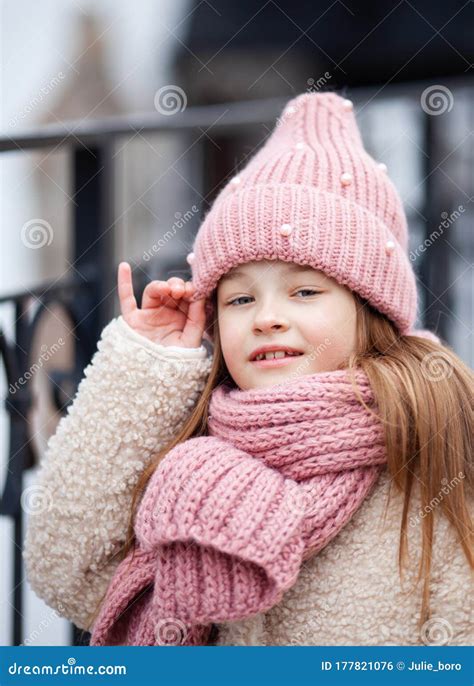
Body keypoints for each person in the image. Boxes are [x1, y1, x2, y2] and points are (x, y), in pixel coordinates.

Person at [23, 91, 473, 647]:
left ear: (370, 309)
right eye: (239, 300)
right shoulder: (192, 448)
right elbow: (67, 566)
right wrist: (146, 367)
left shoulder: (433, 444)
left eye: (304, 291)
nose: (267, 318)